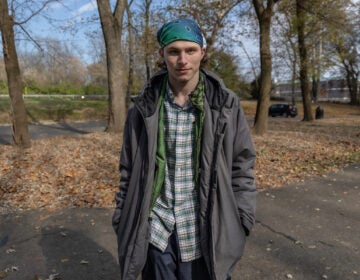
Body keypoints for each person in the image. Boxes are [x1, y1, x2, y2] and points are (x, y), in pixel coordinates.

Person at [112, 18, 257, 280]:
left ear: (203, 52)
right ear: (162, 55)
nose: (182, 60)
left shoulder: (225, 105)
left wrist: (242, 219)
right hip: (156, 230)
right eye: (174, 51)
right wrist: (122, 218)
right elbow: (128, 168)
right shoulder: (143, 108)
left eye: (190, 50)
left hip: (205, 230)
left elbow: (242, 165)